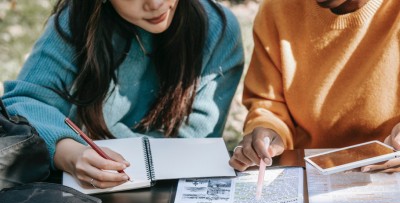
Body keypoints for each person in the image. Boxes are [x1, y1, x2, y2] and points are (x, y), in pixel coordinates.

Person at [2, 0, 244, 189]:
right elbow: (23, 103)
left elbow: (196, 144)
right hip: (83, 191)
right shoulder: (77, 21)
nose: (155, 4)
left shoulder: (218, 29)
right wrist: (70, 154)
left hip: (175, 193)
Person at [229, 0, 400, 173]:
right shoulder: (278, 9)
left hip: (390, 176)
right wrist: (269, 131)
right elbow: (269, 104)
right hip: (307, 174)